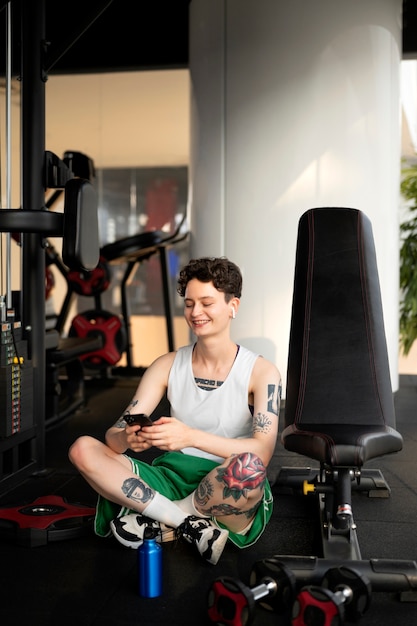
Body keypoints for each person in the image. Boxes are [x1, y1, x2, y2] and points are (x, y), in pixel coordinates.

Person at [69, 257, 281, 565]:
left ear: (233, 306)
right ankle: (186, 524)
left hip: (224, 486)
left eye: (207, 303)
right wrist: (129, 438)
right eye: (190, 304)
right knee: (83, 449)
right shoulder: (166, 365)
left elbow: (262, 451)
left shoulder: (262, 372)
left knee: (248, 468)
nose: (196, 313)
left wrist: (189, 436)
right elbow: (112, 438)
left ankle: (163, 519)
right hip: (168, 478)